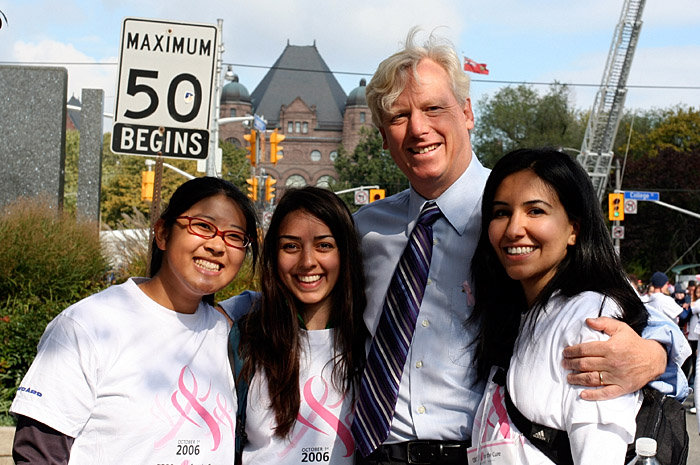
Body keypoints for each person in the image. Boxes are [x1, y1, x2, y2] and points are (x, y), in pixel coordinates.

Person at [351, 28, 687, 465]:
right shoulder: (364, 230)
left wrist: (653, 354)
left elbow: (617, 301)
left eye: (434, 108)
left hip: (482, 452)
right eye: (398, 117)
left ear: (467, 112)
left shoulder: (523, 218)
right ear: (382, 135)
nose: (418, 128)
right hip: (373, 453)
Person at [10, 176, 259, 465]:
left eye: (234, 236)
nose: (217, 246)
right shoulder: (87, 325)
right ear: (163, 233)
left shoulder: (227, 334)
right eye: (203, 226)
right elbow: (37, 454)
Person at [469, 148, 650, 464]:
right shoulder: (518, 311)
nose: (513, 229)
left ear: (574, 229)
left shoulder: (591, 320)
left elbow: (599, 454)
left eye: (535, 211)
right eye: (500, 212)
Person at [219, 187, 368, 464]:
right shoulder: (244, 339)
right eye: (291, 246)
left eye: (324, 245)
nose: (307, 262)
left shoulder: (373, 341)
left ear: (345, 252)